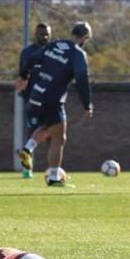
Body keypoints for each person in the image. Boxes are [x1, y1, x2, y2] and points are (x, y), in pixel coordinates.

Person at [14, 22, 93, 187]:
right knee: (59, 138)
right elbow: (82, 81)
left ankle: (27, 149)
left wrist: (23, 77)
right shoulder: (78, 54)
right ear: (85, 37)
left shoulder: (54, 45)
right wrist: (87, 105)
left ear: (72, 33)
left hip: (36, 95)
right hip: (52, 99)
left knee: (48, 128)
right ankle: (54, 177)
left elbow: (33, 58)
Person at [16, 23, 51, 178]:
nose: (44, 37)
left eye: (47, 34)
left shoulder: (54, 52)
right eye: (41, 34)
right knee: (32, 133)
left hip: (50, 99)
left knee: (53, 134)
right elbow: (22, 75)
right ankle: (26, 168)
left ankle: (53, 170)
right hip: (32, 99)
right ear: (35, 34)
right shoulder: (28, 53)